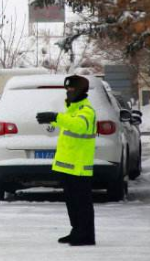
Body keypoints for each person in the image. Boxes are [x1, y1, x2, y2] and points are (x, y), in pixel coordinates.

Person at [36, 75, 97, 246]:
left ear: (80, 91)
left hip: (79, 166)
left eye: (72, 89)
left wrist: (57, 117)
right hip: (68, 166)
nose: (69, 92)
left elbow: (79, 125)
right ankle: (76, 230)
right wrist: (54, 120)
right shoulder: (72, 110)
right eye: (67, 90)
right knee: (72, 202)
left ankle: (86, 235)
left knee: (81, 202)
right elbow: (70, 127)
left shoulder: (86, 110)